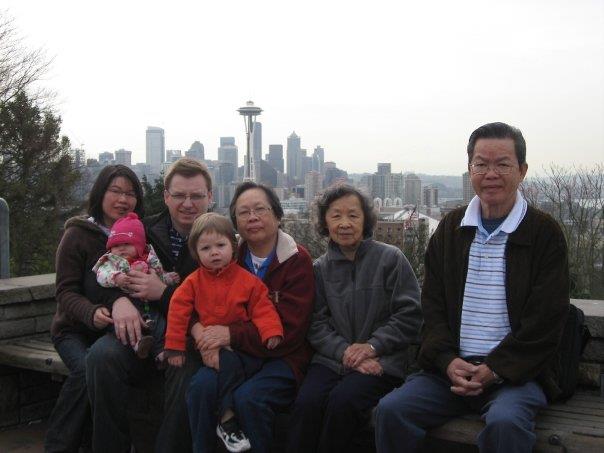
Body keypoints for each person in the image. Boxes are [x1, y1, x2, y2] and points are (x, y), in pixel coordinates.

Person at [375, 122, 570, 453]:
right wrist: (448, 361)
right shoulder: (452, 229)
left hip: (516, 375)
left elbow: (546, 320)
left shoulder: (543, 234)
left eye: (502, 164)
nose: (490, 173)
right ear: (469, 170)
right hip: (450, 371)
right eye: (481, 164)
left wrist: (495, 369)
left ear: (521, 170)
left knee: (506, 425)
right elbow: (432, 307)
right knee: (391, 411)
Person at [164, 181, 315, 453]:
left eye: (260, 209)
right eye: (244, 212)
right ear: (235, 223)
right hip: (229, 355)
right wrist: (203, 335)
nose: (253, 218)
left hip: (281, 357)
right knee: (200, 388)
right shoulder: (220, 253)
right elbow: (184, 304)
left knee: (248, 398)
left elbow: (290, 333)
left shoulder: (295, 259)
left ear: (277, 215)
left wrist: (229, 335)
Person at [86, 158, 213, 452]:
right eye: (179, 195)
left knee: (186, 370)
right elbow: (97, 273)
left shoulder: (219, 239)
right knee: (101, 357)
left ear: (210, 196)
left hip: (186, 336)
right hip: (136, 329)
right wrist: (117, 301)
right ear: (166, 196)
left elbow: (220, 301)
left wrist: (164, 293)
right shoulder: (141, 231)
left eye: (196, 195)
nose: (187, 204)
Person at [286, 184, 422, 453]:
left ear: (366, 219)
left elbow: (409, 315)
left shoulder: (390, 259)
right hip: (331, 360)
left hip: (382, 361)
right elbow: (315, 323)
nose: (344, 224)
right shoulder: (319, 269)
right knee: (306, 403)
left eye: (353, 215)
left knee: (342, 402)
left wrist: (372, 347)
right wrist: (346, 351)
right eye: (336, 216)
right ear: (325, 222)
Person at [45, 165, 144, 453]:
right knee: (86, 371)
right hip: (73, 331)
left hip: (114, 333)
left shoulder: (137, 235)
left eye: (130, 193)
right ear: (100, 193)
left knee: (104, 366)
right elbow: (65, 291)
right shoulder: (78, 235)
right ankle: (59, 447)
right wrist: (90, 312)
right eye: (115, 191)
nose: (123, 199)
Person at [165, 213, 284, 452]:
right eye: (206, 248)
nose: (215, 252)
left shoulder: (247, 281)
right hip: (208, 352)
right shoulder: (192, 283)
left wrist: (271, 331)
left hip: (241, 352)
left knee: (209, 380)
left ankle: (227, 420)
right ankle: (210, 438)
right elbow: (179, 314)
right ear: (196, 253)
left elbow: (263, 308)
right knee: (199, 388)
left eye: (220, 245)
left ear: (233, 246)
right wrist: (174, 347)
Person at [93, 212, 180, 360]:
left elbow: (157, 275)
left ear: (139, 245)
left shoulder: (148, 258)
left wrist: (168, 278)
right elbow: (101, 274)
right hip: (128, 302)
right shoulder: (111, 261)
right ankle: (139, 344)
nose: (121, 249)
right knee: (127, 327)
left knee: (159, 323)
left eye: (127, 244)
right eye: (116, 245)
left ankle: (160, 352)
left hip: (149, 303)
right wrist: (116, 277)